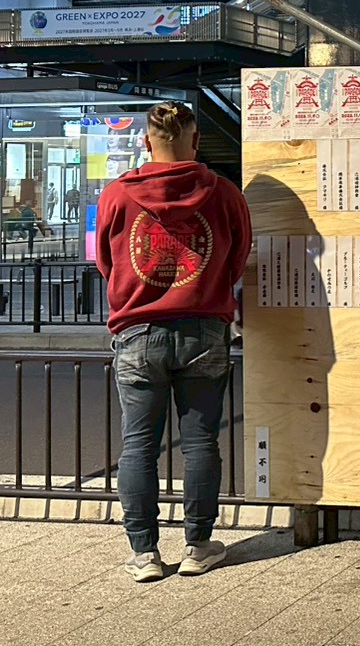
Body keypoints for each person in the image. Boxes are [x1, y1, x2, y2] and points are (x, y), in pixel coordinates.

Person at [95, 102, 252, 582]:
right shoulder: (224, 193)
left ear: (146, 142)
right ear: (196, 141)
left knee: (138, 445)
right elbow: (237, 257)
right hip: (204, 328)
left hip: (138, 331)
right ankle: (198, 546)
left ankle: (144, 553)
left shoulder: (117, 195)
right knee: (201, 441)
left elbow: (106, 261)